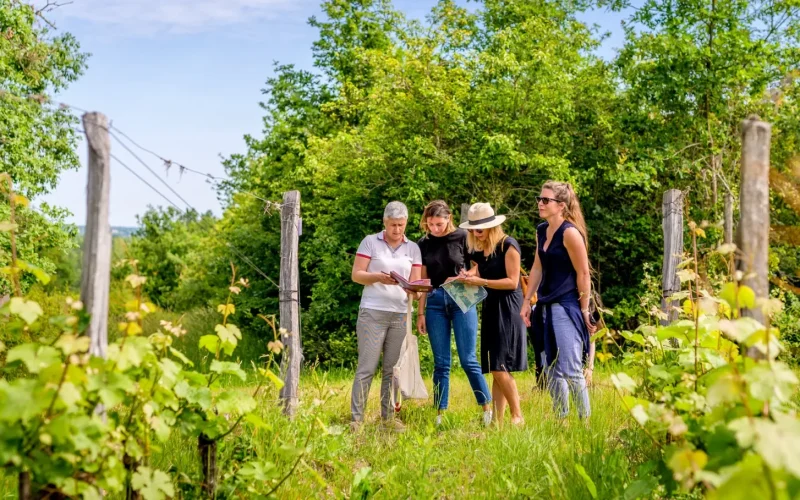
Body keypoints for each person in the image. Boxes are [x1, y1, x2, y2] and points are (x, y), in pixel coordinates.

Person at [520, 181, 597, 420]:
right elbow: (536, 268)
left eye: (546, 200)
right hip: (544, 305)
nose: (540, 204)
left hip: (566, 305)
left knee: (571, 369)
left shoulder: (570, 233)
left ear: (561, 205)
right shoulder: (542, 230)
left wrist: (584, 310)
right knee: (551, 368)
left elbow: (583, 274)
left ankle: (585, 424)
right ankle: (560, 419)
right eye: (539, 199)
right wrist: (526, 303)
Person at [417, 200, 493, 427]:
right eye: (430, 224)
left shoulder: (463, 237)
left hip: (462, 297)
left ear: (449, 217)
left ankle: (487, 409)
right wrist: (420, 313)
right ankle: (440, 414)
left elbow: (478, 268)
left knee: (468, 359)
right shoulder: (424, 243)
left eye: (439, 224)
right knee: (441, 363)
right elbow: (424, 281)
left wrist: (462, 276)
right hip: (435, 301)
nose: (434, 229)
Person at [350, 201, 422, 433]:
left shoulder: (413, 248)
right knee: (367, 367)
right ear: (384, 222)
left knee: (392, 370)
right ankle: (356, 420)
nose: (397, 230)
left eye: (401, 225)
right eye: (393, 225)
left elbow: (416, 284)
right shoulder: (370, 242)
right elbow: (357, 275)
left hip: (401, 313)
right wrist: (378, 277)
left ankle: (388, 418)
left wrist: (417, 290)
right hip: (373, 311)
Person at [459, 203, 527, 426]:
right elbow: (476, 271)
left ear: (491, 226)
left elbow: (512, 282)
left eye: (480, 228)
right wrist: (466, 277)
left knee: (500, 366)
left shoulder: (509, 245)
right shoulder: (479, 250)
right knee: (495, 367)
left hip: (508, 308)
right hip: (490, 307)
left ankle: (517, 415)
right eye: (473, 229)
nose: (476, 232)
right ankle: (497, 422)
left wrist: (481, 281)